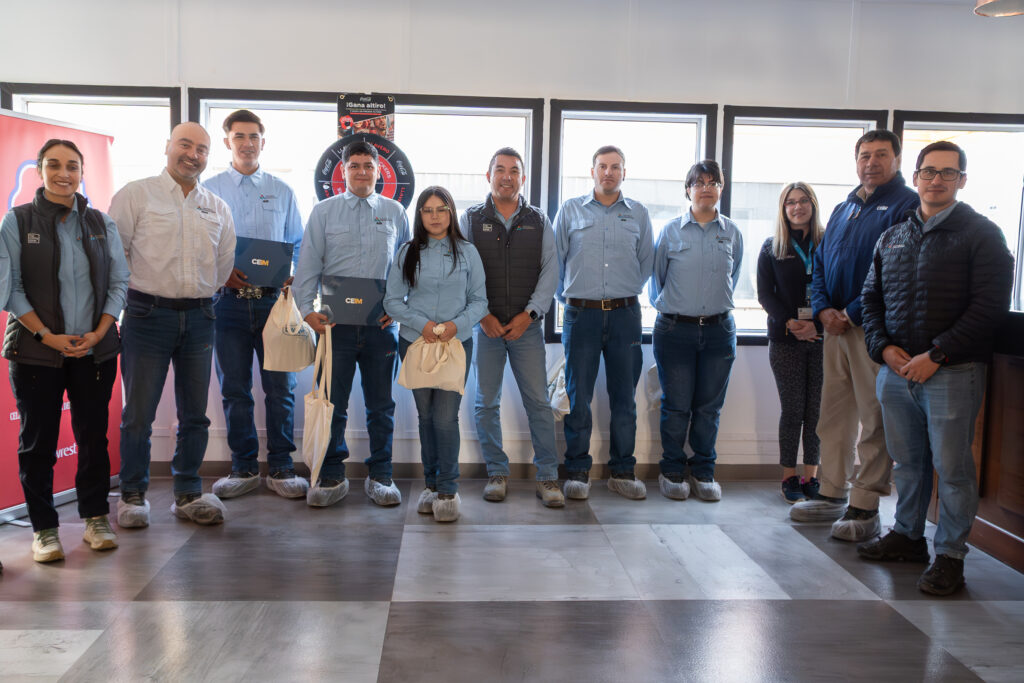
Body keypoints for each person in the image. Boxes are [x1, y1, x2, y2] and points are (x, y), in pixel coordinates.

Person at [858, 141, 1013, 595]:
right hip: (896, 371)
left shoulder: (983, 235)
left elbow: (989, 307)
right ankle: (908, 537)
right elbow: (871, 299)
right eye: (929, 171)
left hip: (953, 372)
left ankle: (950, 556)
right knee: (908, 464)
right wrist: (883, 348)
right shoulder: (893, 235)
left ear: (962, 180)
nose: (937, 180)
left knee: (952, 467)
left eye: (948, 172)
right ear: (916, 177)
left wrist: (938, 354)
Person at [1, 139, 130, 561]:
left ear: (81, 172)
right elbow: (10, 288)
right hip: (36, 351)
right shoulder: (17, 221)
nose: (64, 173)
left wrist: (99, 332)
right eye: (54, 165)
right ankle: (44, 529)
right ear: (40, 170)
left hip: (95, 349)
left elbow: (119, 282)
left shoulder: (100, 222)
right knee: (37, 443)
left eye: (72, 166)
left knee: (93, 438)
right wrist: (47, 336)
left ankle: (96, 518)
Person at [790, 129, 918, 541]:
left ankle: (865, 505)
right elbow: (821, 265)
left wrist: (850, 312)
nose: (871, 162)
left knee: (873, 417)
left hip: (873, 330)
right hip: (834, 330)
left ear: (897, 160)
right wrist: (823, 310)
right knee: (833, 415)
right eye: (864, 155)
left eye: (881, 154)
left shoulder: (906, 206)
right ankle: (831, 491)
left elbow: (893, 272)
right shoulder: (845, 208)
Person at [109, 122, 236, 528]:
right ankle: (132, 494)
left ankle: (188, 494)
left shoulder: (217, 207)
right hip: (146, 315)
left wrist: (199, 295)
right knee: (138, 414)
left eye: (201, 149)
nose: (192, 154)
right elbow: (115, 257)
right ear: (167, 146)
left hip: (200, 317)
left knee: (195, 415)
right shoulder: (135, 195)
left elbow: (223, 267)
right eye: (185, 144)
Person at [293, 140, 409, 507]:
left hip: (381, 328)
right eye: (354, 165)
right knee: (332, 404)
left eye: (368, 166)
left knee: (381, 406)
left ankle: (381, 475)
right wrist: (306, 310)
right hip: (334, 328)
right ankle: (331, 474)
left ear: (378, 171)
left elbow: (407, 267)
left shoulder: (395, 212)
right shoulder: (324, 212)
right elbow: (308, 264)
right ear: (343, 171)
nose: (361, 172)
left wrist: (401, 306)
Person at [204, 110, 307, 501]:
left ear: (263, 142)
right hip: (226, 305)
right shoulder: (208, 190)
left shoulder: (282, 190)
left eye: (253, 137)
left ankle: (281, 467)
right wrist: (221, 272)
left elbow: (298, 243)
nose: (247, 143)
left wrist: (293, 274)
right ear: (227, 141)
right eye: (239, 136)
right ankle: (243, 468)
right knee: (235, 389)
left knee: (281, 388)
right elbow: (200, 245)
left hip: (273, 305)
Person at [460, 147, 563, 508]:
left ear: (523, 177)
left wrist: (529, 315)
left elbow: (551, 271)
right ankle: (497, 473)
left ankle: (547, 477)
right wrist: (481, 316)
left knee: (539, 402)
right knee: (486, 403)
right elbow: (462, 271)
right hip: (485, 328)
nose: (507, 176)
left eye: (514, 170)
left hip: (526, 329)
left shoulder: (539, 220)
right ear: (488, 176)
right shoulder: (470, 219)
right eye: (500, 170)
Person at [553, 145, 654, 501]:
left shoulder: (639, 213)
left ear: (624, 172)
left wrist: (622, 293)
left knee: (624, 397)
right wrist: (573, 298)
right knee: (578, 396)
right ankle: (577, 471)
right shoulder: (570, 210)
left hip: (626, 315)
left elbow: (646, 264)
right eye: (602, 166)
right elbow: (555, 263)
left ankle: (622, 472)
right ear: (592, 171)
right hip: (581, 315)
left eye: (615, 167)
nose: (608, 172)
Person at [385, 187, 487, 522]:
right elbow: (392, 301)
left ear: (451, 212)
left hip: (455, 344)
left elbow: (480, 302)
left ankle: (447, 489)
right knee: (426, 417)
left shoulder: (468, 252)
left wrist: (456, 326)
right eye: (427, 210)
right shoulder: (408, 251)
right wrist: (423, 325)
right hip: (416, 343)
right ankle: (430, 485)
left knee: (445, 417)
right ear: (419, 215)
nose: (434, 216)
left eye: (441, 209)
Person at [650, 160, 743, 502]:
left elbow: (734, 275)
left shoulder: (731, 232)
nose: (706, 188)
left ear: (721, 189)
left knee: (709, 408)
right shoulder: (670, 231)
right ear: (687, 190)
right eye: (698, 183)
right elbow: (657, 280)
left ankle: (703, 472)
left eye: (712, 182)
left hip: (719, 331)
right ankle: (672, 471)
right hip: (675, 330)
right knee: (676, 406)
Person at [757, 182, 825, 503]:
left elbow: (838, 287)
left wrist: (817, 324)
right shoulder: (772, 247)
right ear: (783, 209)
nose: (797, 207)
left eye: (803, 201)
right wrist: (790, 322)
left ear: (813, 205)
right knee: (793, 410)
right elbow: (765, 294)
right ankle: (789, 476)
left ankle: (811, 476)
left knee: (816, 412)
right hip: (785, 339)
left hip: (823, 337)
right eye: (790, 202)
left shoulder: (828, 242)